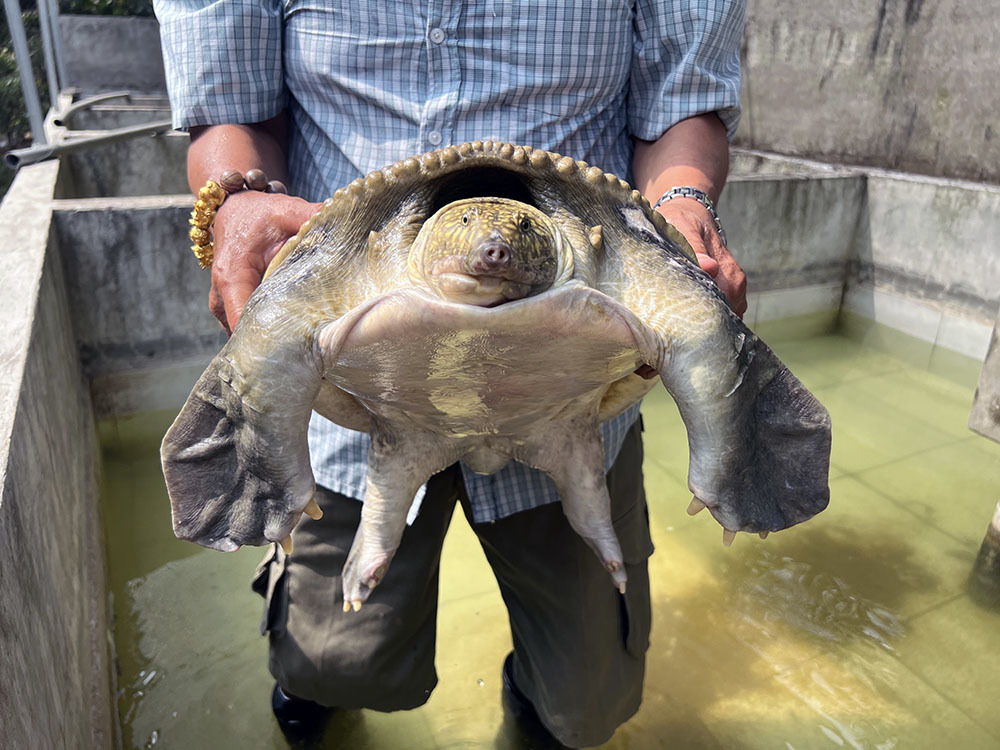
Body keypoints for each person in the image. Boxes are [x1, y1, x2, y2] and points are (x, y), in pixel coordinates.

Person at [155, 1, 748, 746]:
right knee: (329, 660)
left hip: (570, 374)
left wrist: (682, 206)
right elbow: (231, 106)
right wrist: (238, 199)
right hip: (363, 348)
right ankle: (313, 688)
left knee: (589, 701)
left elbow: (683, 102)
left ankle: (531, 705)